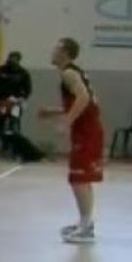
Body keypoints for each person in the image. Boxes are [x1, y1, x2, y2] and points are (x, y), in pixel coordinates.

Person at [39, 37, 104, 244]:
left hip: (87, 132)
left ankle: (86, 228)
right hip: (89, 130)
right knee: (82, 179)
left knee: (78, 178)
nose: (52, 51)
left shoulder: (68, 73)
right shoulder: (73, 72)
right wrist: (53, 112)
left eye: (56, 48)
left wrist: (66, 122)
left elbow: (84, 98)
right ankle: (85, 223)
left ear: (65, 53)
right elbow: (86, 101)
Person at [0, 51, 33, 156]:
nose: (13, 61)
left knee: (14, 126)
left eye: (16, 59)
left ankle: (14, 151)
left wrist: (22, 98)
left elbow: (28, 89)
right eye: (12, 58)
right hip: (0, 102)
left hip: (15, 104)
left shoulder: (23, 73)